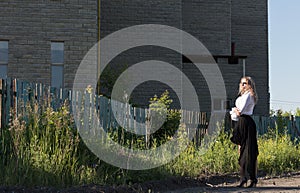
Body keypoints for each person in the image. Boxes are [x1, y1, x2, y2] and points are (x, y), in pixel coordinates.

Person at [230, 76, 259, 188]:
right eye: (241, 83)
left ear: (250, 84)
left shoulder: (249, 95)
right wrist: (235, 111)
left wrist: (236, 110)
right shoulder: (242, 96)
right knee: (240, 149)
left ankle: (252, 178)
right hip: (240, 122)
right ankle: (243, 178)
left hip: (246, 122)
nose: (243, 85)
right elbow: (234, 115)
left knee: (250, 150)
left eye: (245, 83)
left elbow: (240, 109)